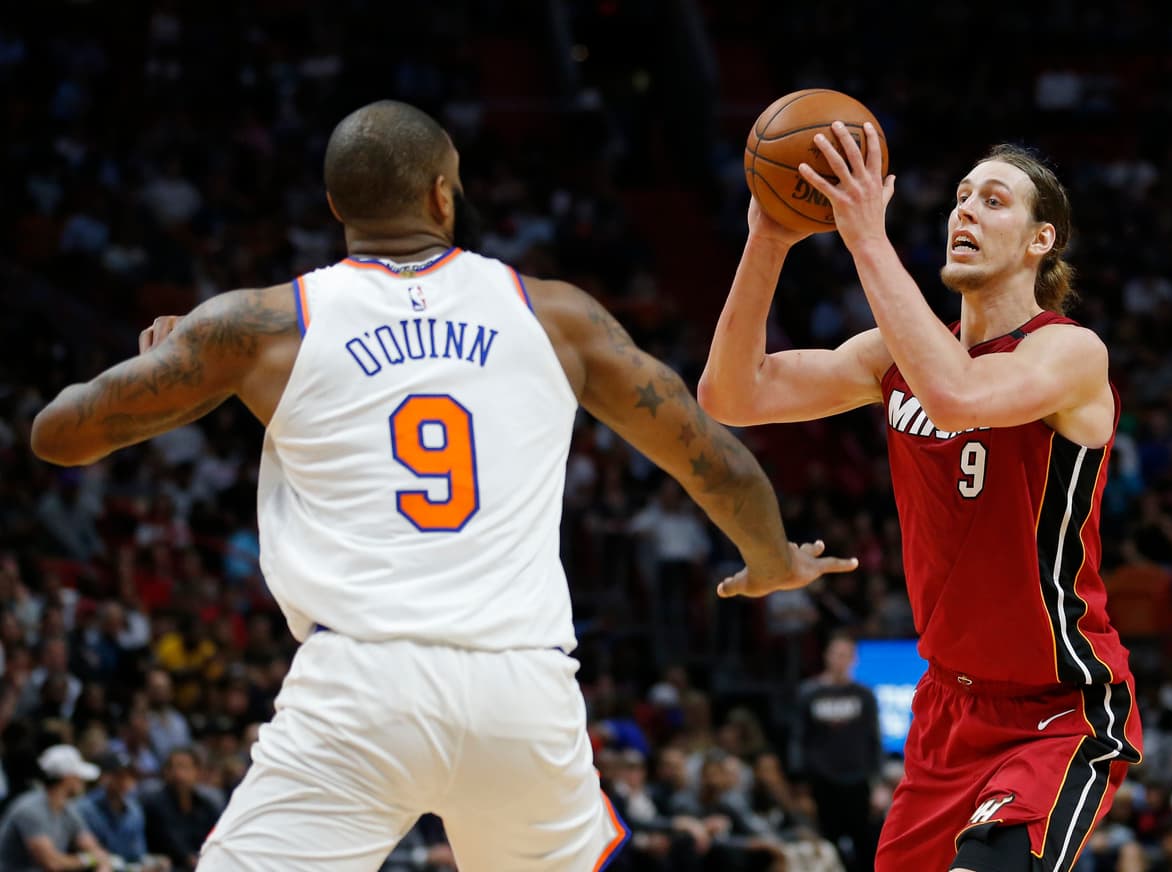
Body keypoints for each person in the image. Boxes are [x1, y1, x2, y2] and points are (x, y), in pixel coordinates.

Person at [29, 99, 856, 871]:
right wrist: (772, 560)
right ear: (441, 193)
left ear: (335, 206)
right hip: (522, 690)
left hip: (361, 689)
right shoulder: (556, 315)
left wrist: (161, 367)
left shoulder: (261, 324)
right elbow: (715, 459)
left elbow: (59, 435)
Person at [699, 123, 1143, 871]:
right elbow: (732, 394)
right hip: (946, 710)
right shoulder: (891, 357)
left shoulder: (1068, 351)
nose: (965, 211)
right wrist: (769, 239)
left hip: (1057, 708)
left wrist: (865, 236)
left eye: (993, 200)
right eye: (961, 197)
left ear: (1041, 240)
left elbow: (958, 393)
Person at [790, 629, 881, 871]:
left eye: (846, 655)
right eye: (836, 654)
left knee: (865, 844)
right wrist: (800, 782)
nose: (840, 660)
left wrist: (877, 781)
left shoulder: (864, 695)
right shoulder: (809, 692)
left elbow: (873, 739)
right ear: (826, 656)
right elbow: (799, 737)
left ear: (854, 659)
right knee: (828, 845)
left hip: (857, 780)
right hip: (822, 780)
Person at [0, 744, 113, 871]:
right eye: (79, 776)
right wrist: (89, 859)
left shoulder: (68, 809)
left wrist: (102, 865)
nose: (83, 781)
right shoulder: (30, 809)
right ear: (67, 778)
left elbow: (94, 849)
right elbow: (52, 863)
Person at [76, 750, 170, 871]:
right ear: (105, 777)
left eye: (130, 776)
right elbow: (90, 854)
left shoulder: (135, 811)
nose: (125, 781)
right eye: (119, 775)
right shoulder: (85, 808)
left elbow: (137, 855)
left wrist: (153, 863)